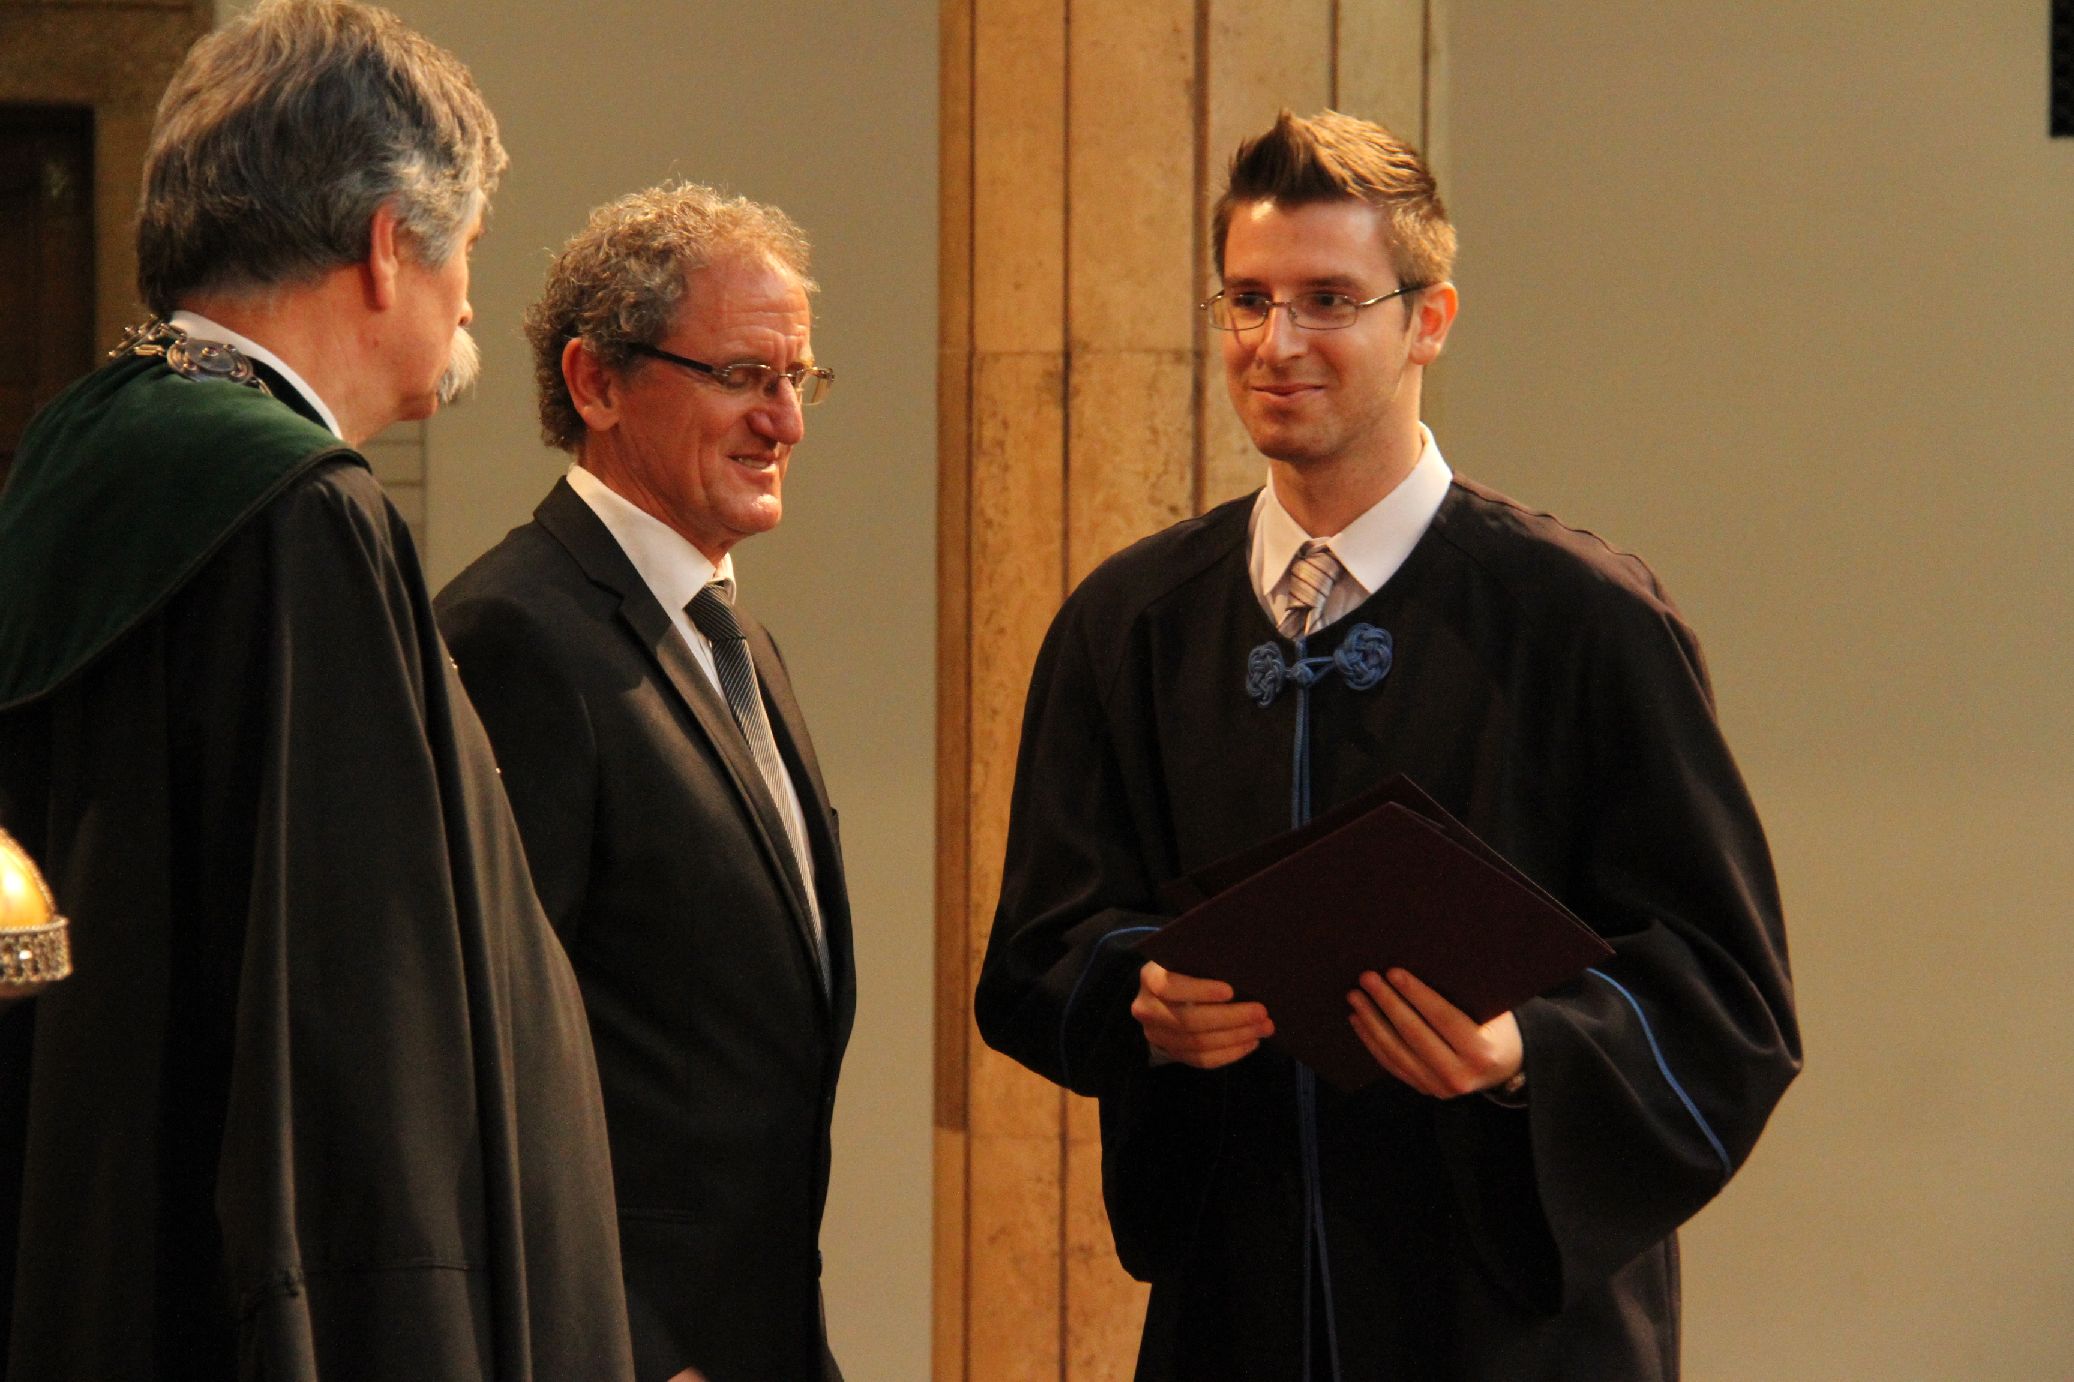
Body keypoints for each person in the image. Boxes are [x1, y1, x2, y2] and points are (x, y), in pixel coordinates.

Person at [974, 109, 1800, 1380]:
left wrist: (1523, 1048)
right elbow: (1037, 952)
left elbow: (1726, 994)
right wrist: (1142, 991)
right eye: (1247, 300)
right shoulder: (1130, 622)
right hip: (1234, 1303)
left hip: (1507, 1325)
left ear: (1429, 319)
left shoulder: (1583, 619)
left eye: (1327, 300)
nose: (1275, 343)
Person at [0, 4, 636, 1377]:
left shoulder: (79, 453)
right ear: (386, 244)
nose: (470, 301)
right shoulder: (300, 519)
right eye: (467, 249)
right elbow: (354, 1042)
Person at [437, 183, 852, 1382]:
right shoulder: (515, 633)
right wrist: (632, 1347)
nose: (784, 421)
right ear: (596, 382)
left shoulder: (734, 636)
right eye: (743, 375)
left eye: (797, 378)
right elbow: (485, 1057)